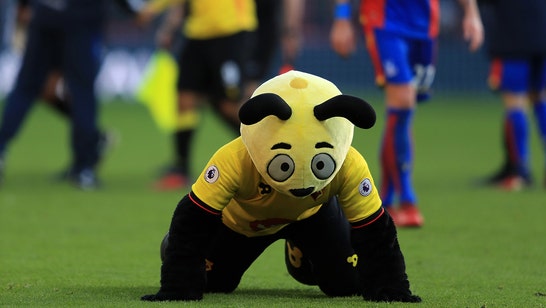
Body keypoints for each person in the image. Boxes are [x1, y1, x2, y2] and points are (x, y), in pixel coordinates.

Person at [141, 70, 421, 303]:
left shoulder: (349, 162)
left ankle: (299, 249)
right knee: (214, 283)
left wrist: (391, 288)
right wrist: (179, 283)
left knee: (345, 284)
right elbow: (194, 216)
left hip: (312, 216)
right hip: (243, 225)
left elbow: (374, 226)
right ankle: (172, 246)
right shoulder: (235, 158)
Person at [330, 0, 484, 227]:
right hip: (384, 20)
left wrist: (472, 13)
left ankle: (384, 202)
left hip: (425, 26)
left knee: (404, 113)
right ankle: (408, 201)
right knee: (403, 103)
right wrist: (342, 18)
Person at [136, 0, 258, 191]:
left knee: (228, 104)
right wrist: (169, 27)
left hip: (230, 31)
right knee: (184, 99)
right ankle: (181, 168)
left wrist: (151, 9)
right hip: (197, 33)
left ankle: (262, 151)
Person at [0, 0, 109, 190]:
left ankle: (1, 146)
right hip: (80, 18)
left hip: (46, 13)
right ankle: (84, 168)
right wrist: (133, 11)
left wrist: (24, 6)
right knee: (81, 91)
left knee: (25, 88)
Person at [480, 0, 546, 191]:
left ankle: (520, 171)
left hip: (513, 39)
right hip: (543, 34)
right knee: (540, 98)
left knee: (515, 103)